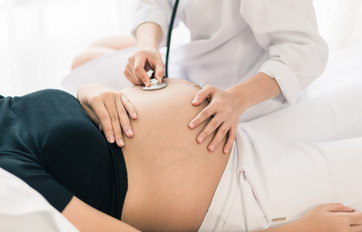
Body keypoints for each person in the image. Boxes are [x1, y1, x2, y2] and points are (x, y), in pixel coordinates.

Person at [1, 78, 362, 231]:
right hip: (238, 196)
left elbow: (60, 131)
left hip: (236, 132)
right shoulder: (8, 180)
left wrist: (90, 94)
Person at [70, 0, 329, 154]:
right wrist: (147, 47)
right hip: (199, 59)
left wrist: (236, 99)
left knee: (84, 62)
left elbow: (305, 51)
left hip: (236, 89)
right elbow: (155, 1)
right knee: (98, 49)